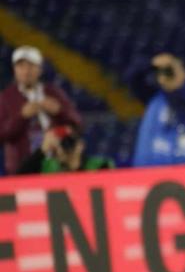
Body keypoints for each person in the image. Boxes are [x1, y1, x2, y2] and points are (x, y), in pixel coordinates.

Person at [0, 45, 82, 176]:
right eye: (21, 66)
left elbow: (77, 123)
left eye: (31, 66)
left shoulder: (53, 92)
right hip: (22, 167)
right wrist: (21, 116)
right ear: (15, 70)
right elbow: (2, 133)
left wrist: (59, 111)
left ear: (40, 69)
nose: (26, 71)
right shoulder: (6, 97)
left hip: (56, 164)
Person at [131, 53, 185, 166]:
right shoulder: (154, 97)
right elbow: (132, 78)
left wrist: (175, 88)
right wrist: (151, 64)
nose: (168, 75)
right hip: (148, 169)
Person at [17, 125, 114, 174]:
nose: (65, 146)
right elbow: (18, 180)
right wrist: (42, 150)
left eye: (69, 141)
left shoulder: (100, 166)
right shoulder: (48, 167)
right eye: (62, 142)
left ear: (81, 145)